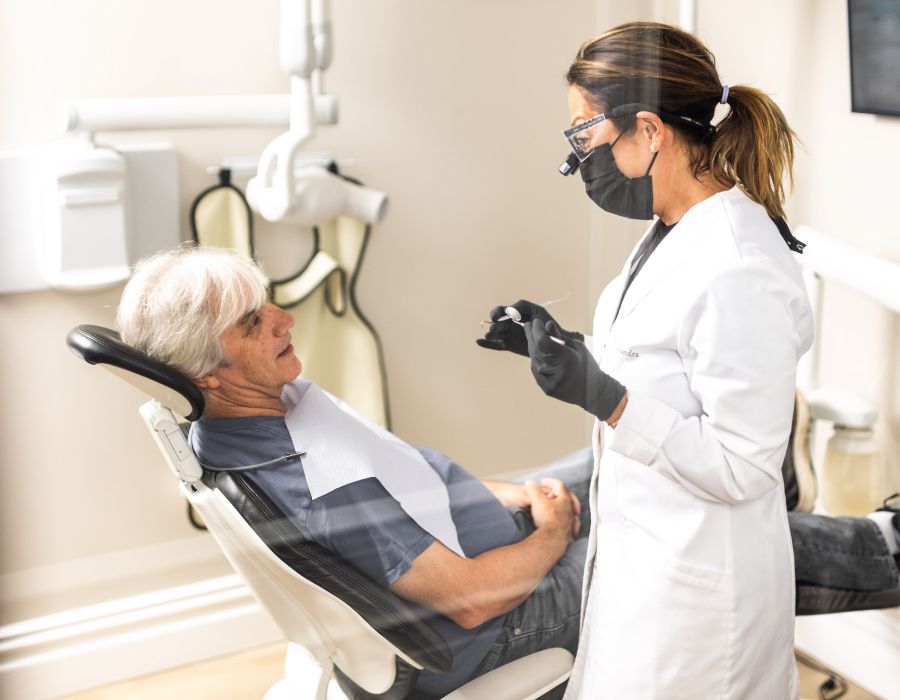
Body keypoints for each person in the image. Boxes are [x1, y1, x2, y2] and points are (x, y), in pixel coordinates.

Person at [117, 246, 899, 698]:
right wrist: (553, 529)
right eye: (255, 323)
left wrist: (518, 496)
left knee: (622, 456)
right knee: (702, 548)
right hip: (492, 623)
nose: (284, 318)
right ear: (208, 372)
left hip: (481, 535)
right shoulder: (312, 481)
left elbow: (411, 483)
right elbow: (468, 599)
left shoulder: (248, 423)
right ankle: (885, 548)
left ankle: (774, 499)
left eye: (267, 302)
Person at [476, 21, 859, 699]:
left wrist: (606, 396)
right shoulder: (671, 230)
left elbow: (743, 465)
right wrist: (567, 348)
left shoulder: (738, 264)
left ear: (649, 131)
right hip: (643, 571)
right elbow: (664, 366)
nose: (575, 157)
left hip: (703, 605)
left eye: (583, 131)